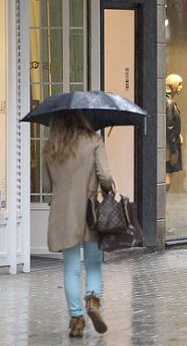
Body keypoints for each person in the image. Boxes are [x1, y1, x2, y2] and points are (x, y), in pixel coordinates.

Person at [41, 111, 113, 337]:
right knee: (93, 263)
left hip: (63, 214)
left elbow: (45, 185)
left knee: (71, 269)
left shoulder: (50, 148)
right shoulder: (94, 141)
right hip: (89, 211)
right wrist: (107, 189)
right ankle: (92, 300)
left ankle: (76, 319)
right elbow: (106, 177)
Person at [165, 73, 183, 192]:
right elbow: (169, 127)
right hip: (169, 147)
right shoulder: (169, 103)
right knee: (167, 177)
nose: (181, 87)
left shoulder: (168, 101)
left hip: (171, 145)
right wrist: (174, 151)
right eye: (180, 84)